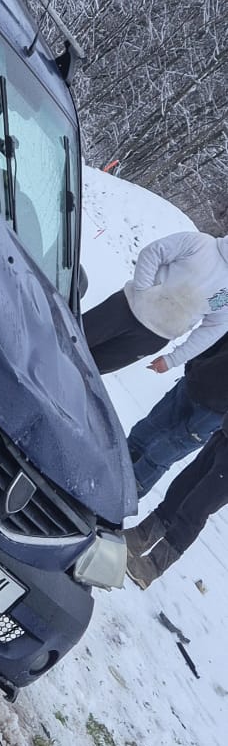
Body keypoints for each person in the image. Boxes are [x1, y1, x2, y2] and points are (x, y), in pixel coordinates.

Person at [84, 227, 228, 375]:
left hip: (151, 340)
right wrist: (142, 292)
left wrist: (173, 359)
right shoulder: (200, 243)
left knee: (87, 373)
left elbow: (213, 329)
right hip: (124, 309)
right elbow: (154, 252)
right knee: (65, 340)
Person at [126, 415, 228, 587]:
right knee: (182, 486)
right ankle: (141, 536)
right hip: (223, 435)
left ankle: (153, 566)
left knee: (197, 507)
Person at [127, 330, 228, 496]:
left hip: (213, 415)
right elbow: (214, 337)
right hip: (193, 383)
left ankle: (119, 502)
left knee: (159, 456)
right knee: (142, 433)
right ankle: (103, 473)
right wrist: (194, 366)